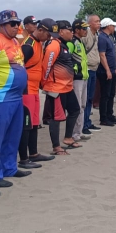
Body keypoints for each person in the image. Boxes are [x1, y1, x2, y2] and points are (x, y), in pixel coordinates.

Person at [0, 10, 29, 188]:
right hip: (0, 97)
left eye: (17, 23)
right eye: (12, 24)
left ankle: (9, 167)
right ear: (2, 25)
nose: (16, 26)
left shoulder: (15, 41)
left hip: (16, 97)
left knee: (13, 135)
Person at [40, 19, 82, 153]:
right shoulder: (54, 45)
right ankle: (56, 147)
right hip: (56, 88)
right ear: (61, 31)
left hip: (67, 87)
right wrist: (45, 84)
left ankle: (68, 138)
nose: (72, 33)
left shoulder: (63, 44)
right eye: (70, 30)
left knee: (75, 110)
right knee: (56, 118)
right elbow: (46, 66)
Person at [19, 18, 54, 167]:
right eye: (48, 34)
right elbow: (19, 65)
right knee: (25, 124)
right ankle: (24, 158)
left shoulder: (39, 43)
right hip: (26, 89)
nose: (49, 38)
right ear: (40, 30)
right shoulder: (29, 45)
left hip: (34, 89)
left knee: (34, 122)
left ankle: (33, 153)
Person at [67, 19, 91, 141]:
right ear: (76, 30)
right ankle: (73, 134)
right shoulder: (72, 43)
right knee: (77, 107)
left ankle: (78, 132)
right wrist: (73, 72)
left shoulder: (80, 42)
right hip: (76, 78)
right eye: (84, 29)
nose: (86, 31)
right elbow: (67, 59)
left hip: (84, 77)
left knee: (82, 105)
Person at [81, 15, 102, 133]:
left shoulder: (96, 35)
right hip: (87, 69)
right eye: (97, 21)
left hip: (94, 69)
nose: (99, 23)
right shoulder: (86, 35)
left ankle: (88, 122)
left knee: (90, 98)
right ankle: (83, 125)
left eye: (99, 21)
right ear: (90, 23)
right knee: (85, 98)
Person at [97, 18, 116, 127]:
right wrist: (107, 70)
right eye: (113, 25)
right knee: (105, 95)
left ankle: (110, 115)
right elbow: (102, 55)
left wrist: (114, 67)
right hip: (105, 70)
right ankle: (104, 117)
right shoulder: (102, 38)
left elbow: (111, 54)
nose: (114, 27)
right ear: (107, 26)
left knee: (111, 94)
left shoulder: (109, 38)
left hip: (111, 69)